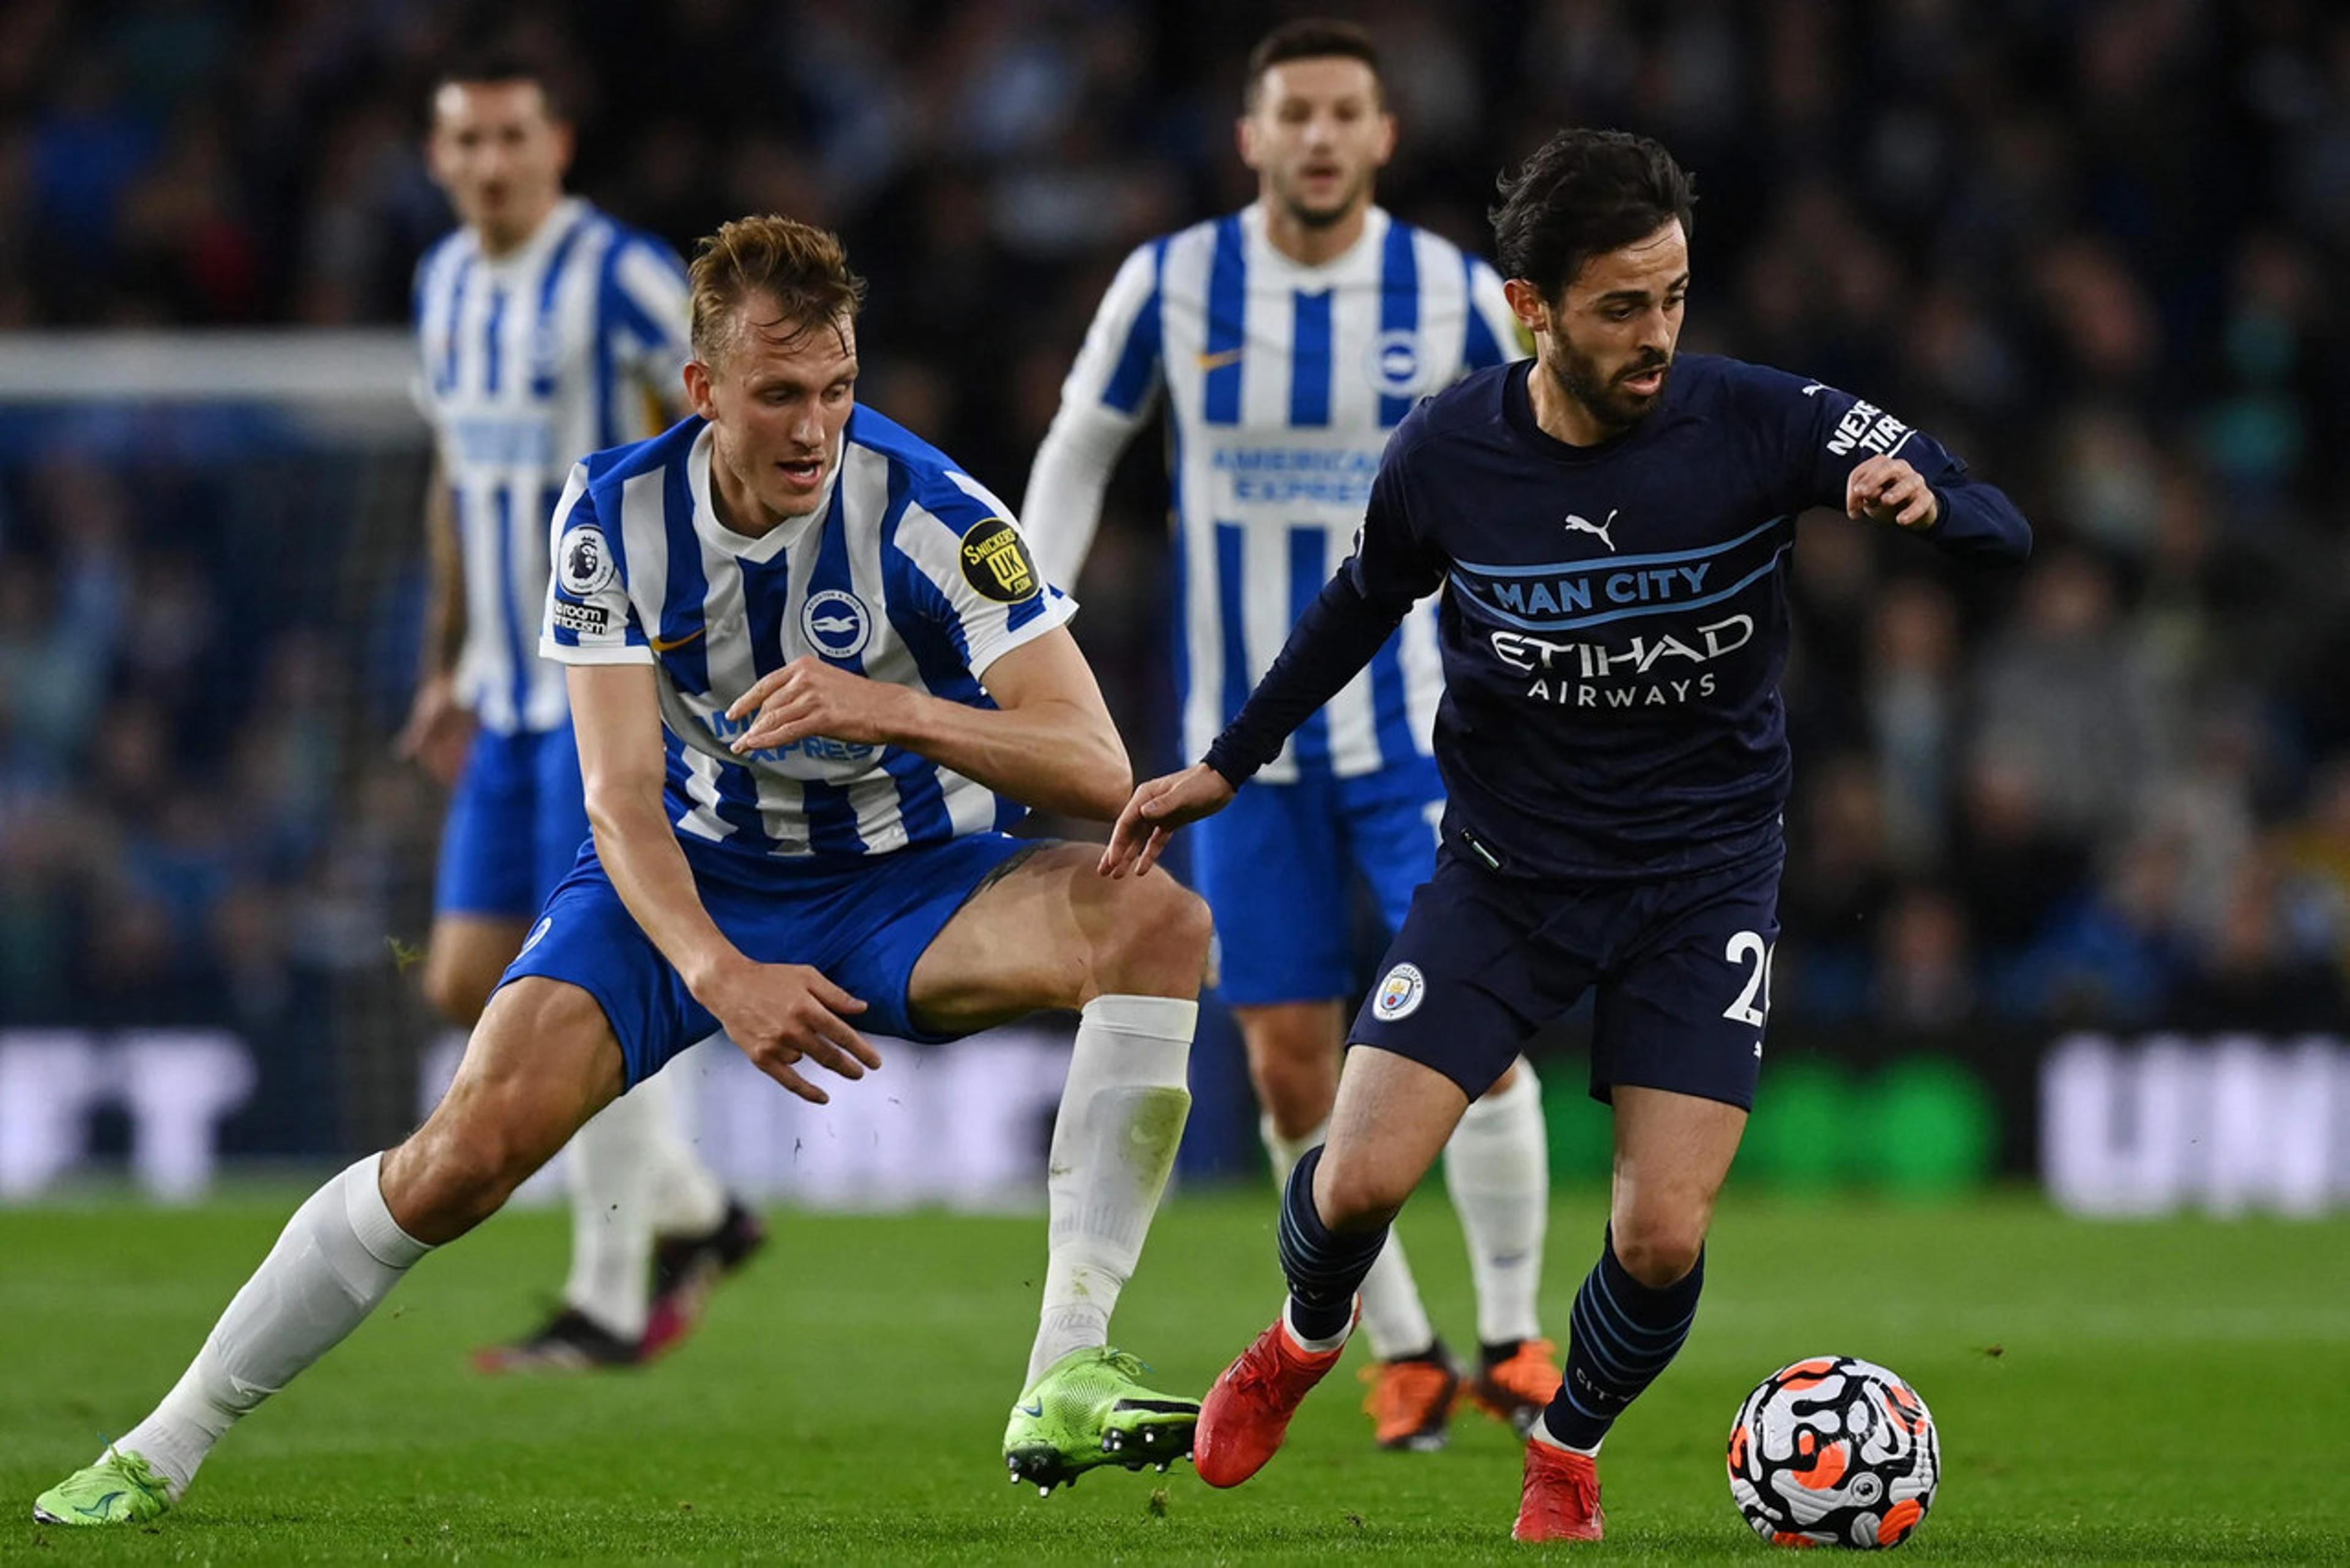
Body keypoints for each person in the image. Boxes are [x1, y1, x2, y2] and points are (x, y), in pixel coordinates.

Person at [35, 214, 1211, 1528]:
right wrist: (722, 974)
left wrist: (899, 711)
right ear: (705, 390)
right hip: (686, 884)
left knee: (1158, 924)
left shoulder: (936, 517)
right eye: (778, 395)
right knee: (460, 1161)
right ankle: (161, 1443)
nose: (814, 428)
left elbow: (1106, 767)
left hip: (910, 881)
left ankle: (1064, 1366)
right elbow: (615, 796)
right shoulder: (610, 513)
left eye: (837, 390)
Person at [1100, 129, 2032, 1542]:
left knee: (1660, 1236)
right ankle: (1299, 1341)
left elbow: (1996, 518)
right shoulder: (1452, 453)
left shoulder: (1761, 417)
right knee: (1352, 1182)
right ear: (1532, 306)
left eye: (1673, 297)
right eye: (1620, 306)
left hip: (1700, 879)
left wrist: (1927, 504)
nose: (1658, 334)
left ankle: (1567, 1445)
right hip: (1506, 874)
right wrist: (1229, 763)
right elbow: (1362, 602)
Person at [1022, 17, 1558, 1452]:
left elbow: (1550, 441)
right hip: (1237, 757)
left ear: (1384, 136)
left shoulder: (1447, 292)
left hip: (1418, 739)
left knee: (1481, 1035)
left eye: (1344, 115)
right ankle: (1408, 1352)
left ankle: (1512, 1336)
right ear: (1252, 136)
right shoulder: (1173, 280)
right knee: (1286, 1070)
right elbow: (1082, 442)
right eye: (1294, 115)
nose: (1319, 137)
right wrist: (1021, 629)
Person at [397, 54, 759, 1371]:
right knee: (461, 979)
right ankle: (700, 1212)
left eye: (511, 136)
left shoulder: (620, 275)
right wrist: (441, 659)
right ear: (441, 158)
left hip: (604, 686)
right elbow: (456, 477)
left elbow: (710, 436)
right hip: (499, 688)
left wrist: (699, 636)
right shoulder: (441, 284)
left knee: (583, 981)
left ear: (555, 144)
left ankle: (611, 1295)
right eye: (466, 140)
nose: (489, 162)